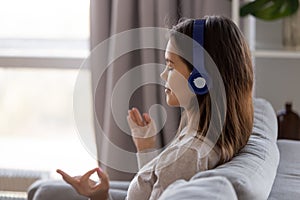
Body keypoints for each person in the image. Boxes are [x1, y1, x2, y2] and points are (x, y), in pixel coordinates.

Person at [57, 15, 254, 200]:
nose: (163, 75)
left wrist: (99, 197)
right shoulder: (203, 140)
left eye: (170, 66)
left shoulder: (188, 156)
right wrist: (146, 148)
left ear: (200, 78)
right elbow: (155, 189)